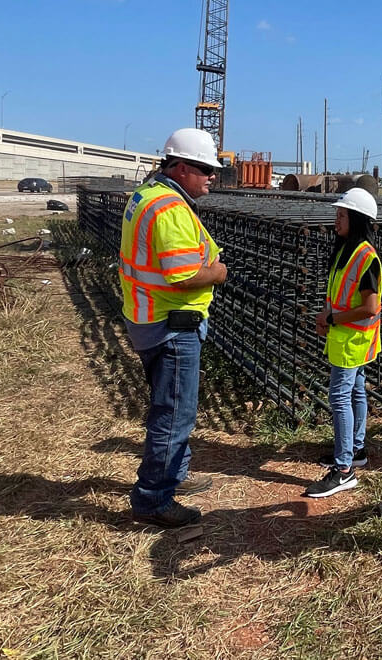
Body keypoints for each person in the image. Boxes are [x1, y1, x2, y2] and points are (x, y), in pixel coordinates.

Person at [118, 128, 228, 528]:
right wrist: (218, 272)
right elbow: (184, 276)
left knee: (172, 406)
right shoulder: (170, 209)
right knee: (174, 414)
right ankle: (153, 500)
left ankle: (175, 474)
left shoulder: (147, 195)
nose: (211, 176)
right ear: (180, 167)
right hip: (172, 325)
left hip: (148, 317)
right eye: (203, 169)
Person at [305, 188, 382, 498]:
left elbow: (370, 307)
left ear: (357, 219)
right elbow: (334, 293)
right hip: (344, 338)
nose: (336, 220)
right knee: (354, 391)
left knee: (339, 397)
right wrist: (325, 317)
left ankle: (343, 469)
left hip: (353, 340)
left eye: (342, 215)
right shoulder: (344, 251)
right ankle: (357, 449)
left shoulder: (366, 257)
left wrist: (334, 320)